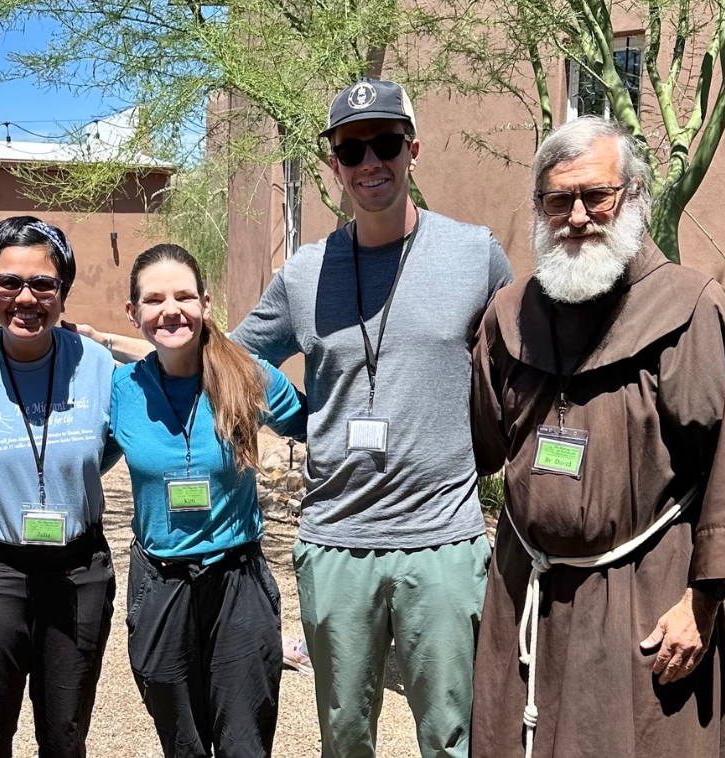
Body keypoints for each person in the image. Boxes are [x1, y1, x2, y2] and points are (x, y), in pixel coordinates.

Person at [85, 79, 513, 758]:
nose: (371, 160)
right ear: (334, 164)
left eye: (386, 142)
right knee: (343, 734)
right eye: (352, 147)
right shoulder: (304, 275)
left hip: (443, 537)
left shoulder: (476, 255)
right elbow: (221, 351)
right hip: (337, 538)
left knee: (451, 732)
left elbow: (521, 360)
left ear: (413, 150)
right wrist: (138, 345)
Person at [469, 117, 725, 758]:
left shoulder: (688, 307)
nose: (576, 215)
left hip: (643, 597)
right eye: (557, 199)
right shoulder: (510, 313)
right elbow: (483, 445)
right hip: (527, 588)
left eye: (596, 196)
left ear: (634, 198)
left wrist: (703, 602)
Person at [0, 216, 120, 758]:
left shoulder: (97, 364)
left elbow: (107, 448)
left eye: (43, 284)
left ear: (64, 292)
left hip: (76, 569)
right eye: (8, 282)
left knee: (65, 734)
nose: (25, 298)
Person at [112, 244, 306, 758]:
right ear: (133, 313)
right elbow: (76, 456)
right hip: (160, 583)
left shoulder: (248, 375)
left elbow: (320, 425)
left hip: (237, 581)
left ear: (206, 303)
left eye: (183, 296)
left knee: (245, 743)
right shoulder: (122, 388)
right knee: (182, 743)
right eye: (153, 299)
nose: (170, 309)